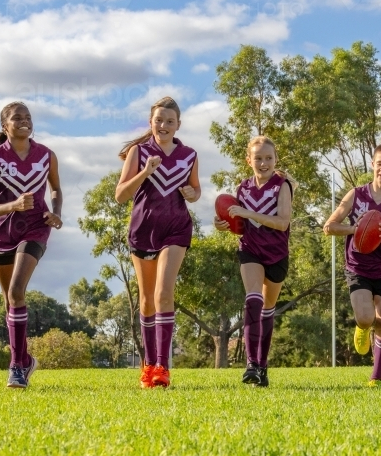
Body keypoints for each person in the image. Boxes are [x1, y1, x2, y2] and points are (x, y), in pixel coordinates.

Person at [0, 101, 63, 389]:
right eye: (17, 118)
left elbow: (56, 189)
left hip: (36, 228)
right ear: (5, 126)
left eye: (28, 117)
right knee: (8, 301)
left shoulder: (46, 155)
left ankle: (15, 368)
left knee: (16, 291)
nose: (24, 121)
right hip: (2, 231)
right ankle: (25, 359)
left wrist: (56, 212)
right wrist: (12, 204)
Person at [115, 97, 200, 388]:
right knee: (147, 299)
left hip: (176, 230)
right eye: (159, 120)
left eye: (170, 121)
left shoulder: (189, 154)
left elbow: (196, 190)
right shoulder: (138, 152)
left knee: (164, 293)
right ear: (151, 122)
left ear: (178, 125)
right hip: (142, 230)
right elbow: (120, 195)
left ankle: (163, 367)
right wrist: (145, 171)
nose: (163, 125)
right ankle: (148, 365)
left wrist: (192, 194)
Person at [324, 143, 381, 386]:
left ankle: (376, 377)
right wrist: (357, 229)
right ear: (372, 165)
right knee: (365, 318)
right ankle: (362, 326)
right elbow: (329, 226)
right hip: (358, 268)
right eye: (379, 164)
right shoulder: (356, 195)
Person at [213, 136, 293, 387]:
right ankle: (251, 364)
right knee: (253, 300)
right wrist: (223, 224)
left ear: (276, 159)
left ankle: (262, 365)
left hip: (277, 254)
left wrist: (248, 213)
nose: (263, 163)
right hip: (250, 250)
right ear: (249, 160)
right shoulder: (243, 188)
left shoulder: (283, 185)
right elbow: (240, 225)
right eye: (258, 158)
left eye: (268, 158)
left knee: (268, 310)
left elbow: (283, 222)